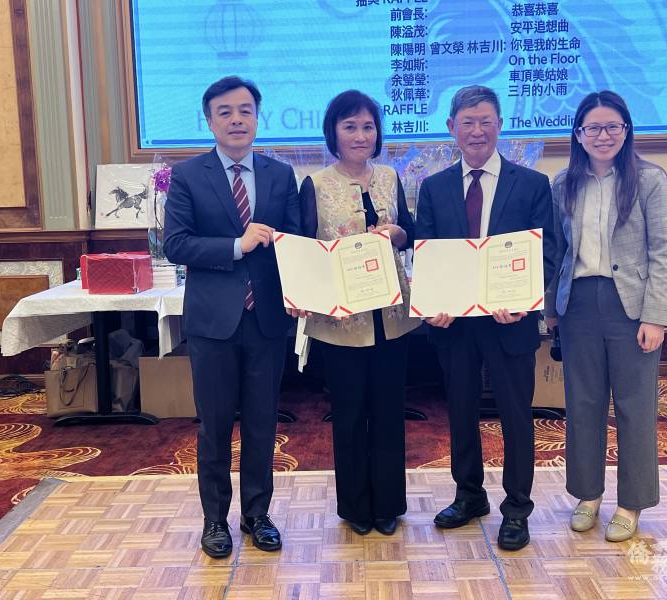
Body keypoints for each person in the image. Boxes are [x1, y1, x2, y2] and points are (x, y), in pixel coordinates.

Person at [163, 75, 300, 558]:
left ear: (257, 118)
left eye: (245, 111)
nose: (237, 119)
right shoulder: (188, 175)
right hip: (213, 323)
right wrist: (236, 245)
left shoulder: (281, 175)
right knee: (215, 426)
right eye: (225, 112)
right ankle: (215, 521)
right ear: (209, 121)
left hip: (267, 320)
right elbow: (175, 244)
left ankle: (258, 515)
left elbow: (296, 242)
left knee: (263, 423)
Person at [415, 85, 556, 551]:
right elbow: (427, 255)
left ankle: (517, 508)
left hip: (510, 321)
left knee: (516, 415)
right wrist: (432, 304)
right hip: (454, 325)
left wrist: (525, 300)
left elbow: (548, 253)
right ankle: (469, 496)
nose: (477, 131)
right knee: (460, 412)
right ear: (451, 128)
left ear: (500, 125)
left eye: (486, 122)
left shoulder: (531, 184)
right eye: (467, 122)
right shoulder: (434, 187)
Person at [544, 90, 667, 542]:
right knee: (583, 403)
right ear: (578, 134)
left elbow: (663, 252)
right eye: (593, 128)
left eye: (612, 127)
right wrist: (552, 310)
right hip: (579, 304)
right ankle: (588, 495)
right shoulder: (564, 183)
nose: (603, 135)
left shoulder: (649, 179)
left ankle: (631, 503)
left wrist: (655, 317)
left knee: (635, 406)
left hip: (631, 307)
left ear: (626, 130)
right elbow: (557, 252)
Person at [295, 90, 420, 536]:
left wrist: (398, 232)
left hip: (391, 316)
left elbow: (410, 233)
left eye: (368, 126)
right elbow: (304, 250)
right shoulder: (315, 185)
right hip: (341, 321)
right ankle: (355, 508)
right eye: (350, 126)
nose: (360, 135)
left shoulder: (389, 177)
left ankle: (387, 504)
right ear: (333, 132)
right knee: (348, 414)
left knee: (389, 412)